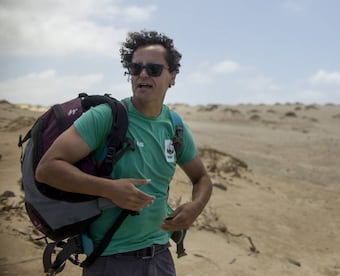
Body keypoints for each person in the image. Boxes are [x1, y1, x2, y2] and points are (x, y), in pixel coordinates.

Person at [35, 30, 213, 276]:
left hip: (161, 257)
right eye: (135, 68)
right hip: (110, 260)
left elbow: (202, 177)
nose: (142, 74)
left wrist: (196, 206)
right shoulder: (106, 117)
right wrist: (109, 189)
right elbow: (47, 169)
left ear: (172, 76)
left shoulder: (175, 126)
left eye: (153, 69)